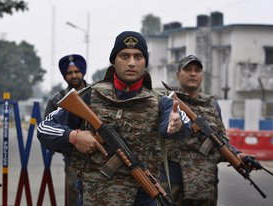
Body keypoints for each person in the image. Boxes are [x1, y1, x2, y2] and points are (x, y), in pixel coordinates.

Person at [37, 31, 191, 206]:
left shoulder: (161, 101)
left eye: (138, 56)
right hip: (93, 197)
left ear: (145, 62)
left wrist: (175, 125)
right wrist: (74, 136)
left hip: (140, 198)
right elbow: (44, 128)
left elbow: (182, 123)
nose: (131, 63)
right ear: (114, 60)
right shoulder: (89, 96)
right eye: (124, 56)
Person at [160, 55, 253, 206]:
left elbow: (220, 141)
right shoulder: (167, 101)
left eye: (197, 70)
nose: (193, 73)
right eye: (188, 69)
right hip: (174, 182)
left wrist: (238, 155)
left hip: (206, 184)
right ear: (178, 74)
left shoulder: (212, 105)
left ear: (202, 75)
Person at [43, 54, 88, 206]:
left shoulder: (97, 94)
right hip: (72, 159)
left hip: (100, 157)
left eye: (77, 71)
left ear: (83, 72)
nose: (74, 75)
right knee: (75, 195)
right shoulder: (58, 100)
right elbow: (47, 130)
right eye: (69, 73)